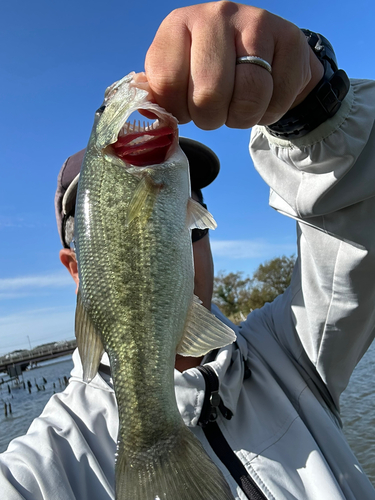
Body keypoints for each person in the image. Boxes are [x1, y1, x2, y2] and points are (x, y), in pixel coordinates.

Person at [1, 2, 375, 498]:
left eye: (190, 229)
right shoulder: (48, 463)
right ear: (77, 271)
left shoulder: (290, 354)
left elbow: (360, 226)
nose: (179, 244)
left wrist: (314, 105)